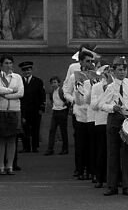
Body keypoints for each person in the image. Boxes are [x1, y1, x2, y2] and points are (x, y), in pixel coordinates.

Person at [98, 56, 128, 196]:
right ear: (114, 71)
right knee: (113, 153)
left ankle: (126, 185)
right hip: (114, 119)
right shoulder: (110, 87)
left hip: (127, 119)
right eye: (119, 70)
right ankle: (112, 185)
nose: (122, 72)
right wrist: (112, 107)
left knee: (126, 153)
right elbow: (101, 105)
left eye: (124, 69)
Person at [63, 50, 96, 181]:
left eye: (91, 61)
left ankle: (91, 169)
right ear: (81, 62)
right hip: (79, 114)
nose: (90, 63)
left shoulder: (95, 76)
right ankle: (80, 169)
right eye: (87, 61)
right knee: (80, 144)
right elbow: (66, 92)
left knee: (92, 144)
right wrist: (73, 100)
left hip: (92, 114)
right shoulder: (74, 76)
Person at [0, 54, 24, 176]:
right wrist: (11, 91)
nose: (8, 65)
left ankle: (10, 165)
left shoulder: (17, 77)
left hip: (14, 110)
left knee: (12, 139)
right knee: (0, 139)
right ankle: (1, 165)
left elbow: (20, 93)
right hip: (1, 110)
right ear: (1, 64)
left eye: (10, 63)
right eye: (6, 63)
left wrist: (6, 95)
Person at [89, 65, 111, 189]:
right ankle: (100, 178)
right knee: (101, 151)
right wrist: (105, 92)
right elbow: (93, 105)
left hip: (113, 121)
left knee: (114, 151)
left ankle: (115, 177)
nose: (107, 74)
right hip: (101, 121)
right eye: (105, 72)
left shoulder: (115, 86)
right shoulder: (96, 87)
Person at [19, 61, 45, 153]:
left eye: (29, 70)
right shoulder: (19, 81)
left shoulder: (38, 81)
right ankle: (26, 147)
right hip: (23, 110)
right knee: (24, 129)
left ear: (31, 70)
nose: (27, 72)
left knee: (35, 128)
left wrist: (42, 108)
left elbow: (42, 95)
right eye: (25, 70)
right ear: (22, 71)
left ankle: (35, 147)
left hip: (35, 109)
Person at [44, 76, 69, 156]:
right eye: (52, 83)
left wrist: (65, 105)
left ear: (59, 83)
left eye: (55, 82)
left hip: (62, 111)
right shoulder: (52, 92)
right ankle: (50, 149)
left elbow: (67, 100)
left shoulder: (62, 91)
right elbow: (52, 100)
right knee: (52, 130)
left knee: (63, 131)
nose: (53, 84)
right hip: (55, 112)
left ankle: (65, 148)